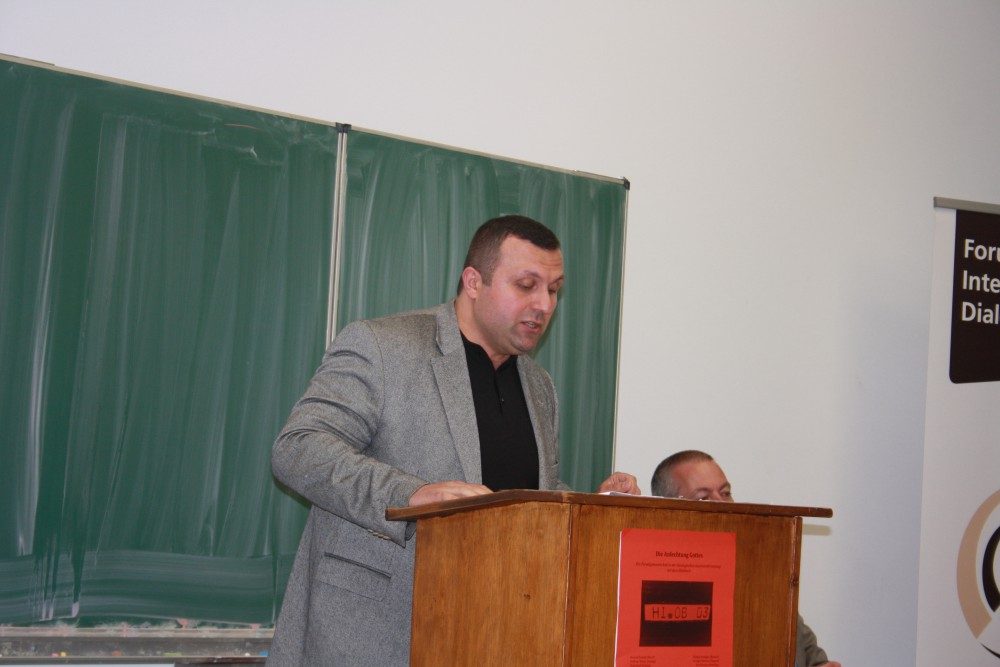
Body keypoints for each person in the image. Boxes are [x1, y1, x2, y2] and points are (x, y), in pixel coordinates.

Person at [268, 215, 639, 665]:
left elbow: (525, 498)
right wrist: (412, 495)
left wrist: (591, 508)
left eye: (554, 289)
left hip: (492, 639)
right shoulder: (382, 346)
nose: (544, 304)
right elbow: (299, 448)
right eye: (526, 285)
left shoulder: (540, 387)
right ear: (474, 282)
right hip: (373, 638)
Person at [650, 450, 841, 667]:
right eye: (703, 497)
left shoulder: (763, 580)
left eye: (725, 493)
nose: (723, 504)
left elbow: (813, 659)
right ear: (669, 509)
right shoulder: (656, 590)